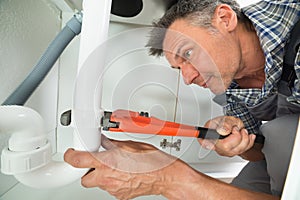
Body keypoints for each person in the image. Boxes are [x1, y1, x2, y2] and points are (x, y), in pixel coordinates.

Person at [64, 0, 300, 199]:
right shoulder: (230, 82)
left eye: (188, 53)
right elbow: (259, 151)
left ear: (225, 19)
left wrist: (168, 179)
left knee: (282, 132)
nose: (188, 78)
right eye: (179, 68)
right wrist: (239, 142)